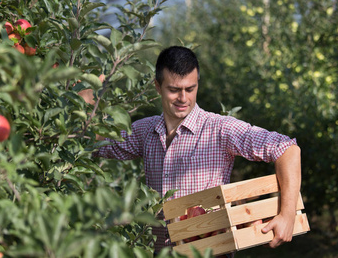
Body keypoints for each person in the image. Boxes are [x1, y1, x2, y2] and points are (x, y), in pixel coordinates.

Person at [92, 46, 301, 255]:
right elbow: (96, 143)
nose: (183, 98)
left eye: (190, 89)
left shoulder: (219, 129)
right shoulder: (145, 132)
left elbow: (287, 149)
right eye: (174, 90)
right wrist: (88, 96)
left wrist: (287, 215)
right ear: (158, 86)